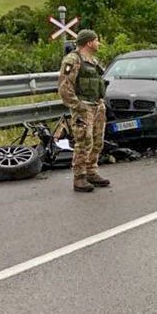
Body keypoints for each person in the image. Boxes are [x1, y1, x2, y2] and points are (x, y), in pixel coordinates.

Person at [58, 29, 110, 193]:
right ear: (89, 42)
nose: (98, 43)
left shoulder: (93, 61)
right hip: (84, 108)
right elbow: (65, 86)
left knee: (97, 141)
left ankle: (91, 171)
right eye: (96, 40)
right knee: (83, 142)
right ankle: (79, 177)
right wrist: (78, 106)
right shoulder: (73, 60)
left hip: (96, 106)